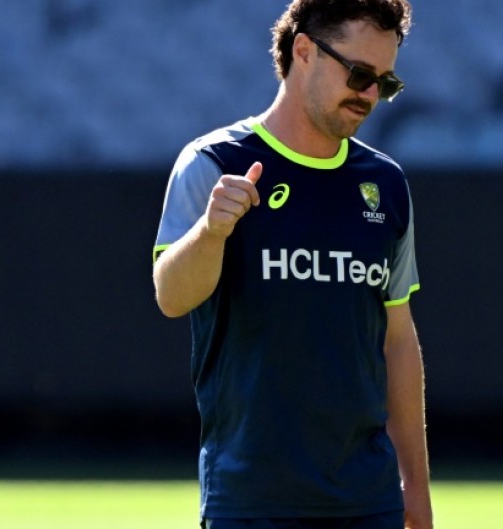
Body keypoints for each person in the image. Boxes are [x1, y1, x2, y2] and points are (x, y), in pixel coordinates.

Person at [152, 1, 431, 527]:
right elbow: (171, 296)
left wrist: (415, 488)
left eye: (385, 83)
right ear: (303, 51)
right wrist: (211, 233)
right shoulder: (214, 163)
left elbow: (397, 340)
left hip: (369, 502)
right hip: (250, 501)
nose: (370, 94)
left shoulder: (386, 184)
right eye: (359, 74)